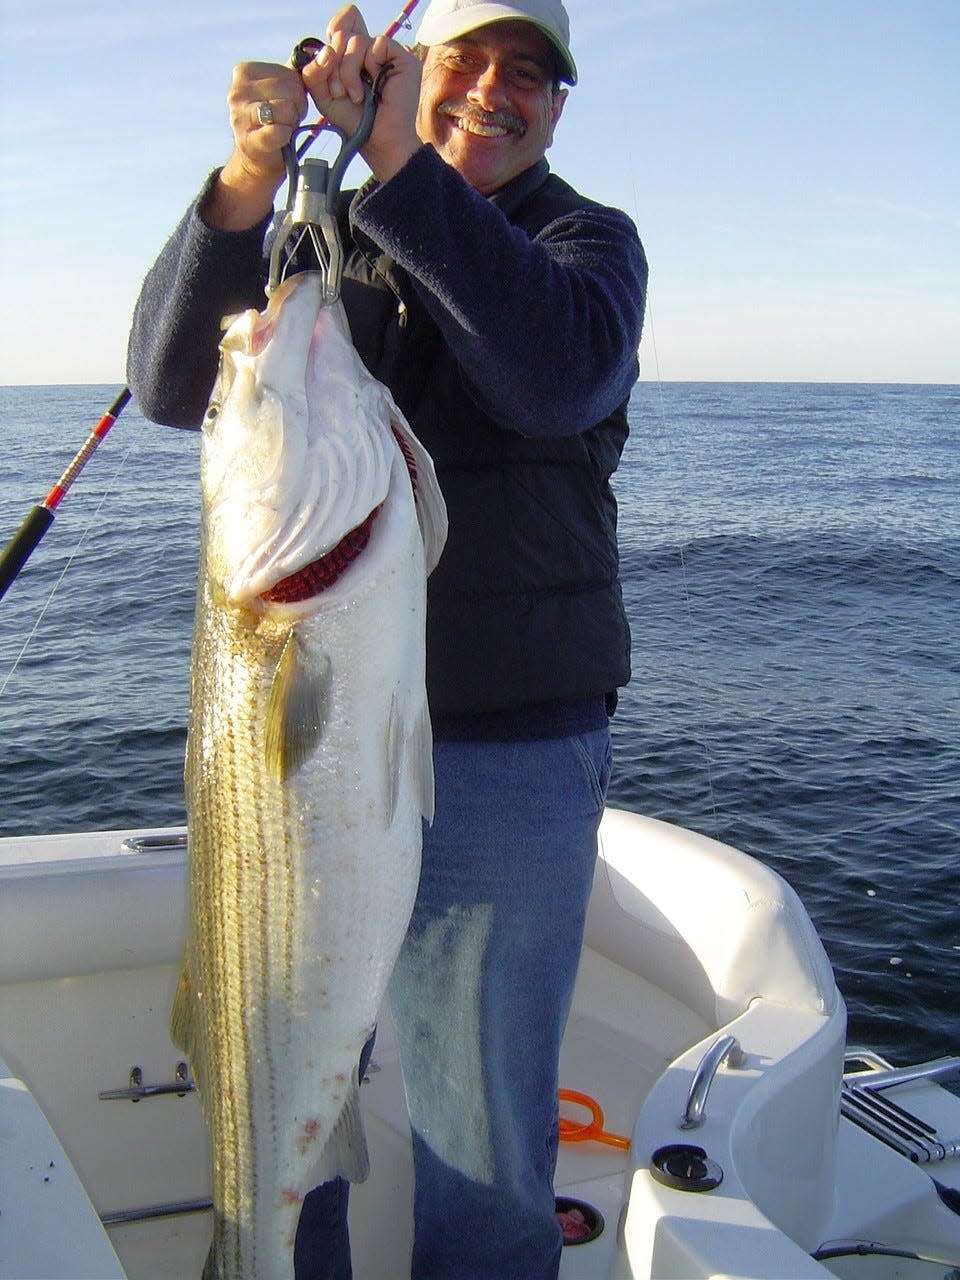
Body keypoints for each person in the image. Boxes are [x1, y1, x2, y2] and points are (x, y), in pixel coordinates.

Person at [127, 0, 647, 1275]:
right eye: (461, 61)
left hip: (506, 759)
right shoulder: (328, 247)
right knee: (292, 1136)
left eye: (531, 74)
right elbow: (167, 382)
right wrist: (252, 180)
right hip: (314, 757)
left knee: (482, 1149)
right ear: (413, 69)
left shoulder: (585, 246)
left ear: (562, 104)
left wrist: (399, 161)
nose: (493, 93)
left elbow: (551, 373)